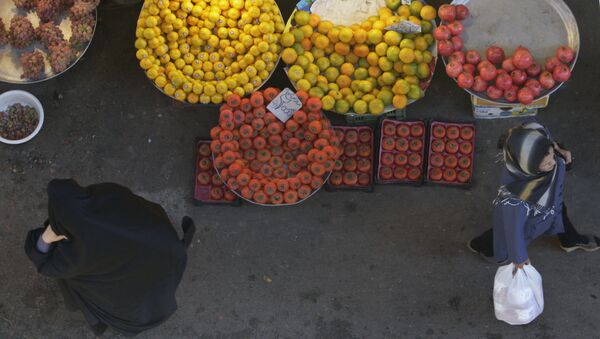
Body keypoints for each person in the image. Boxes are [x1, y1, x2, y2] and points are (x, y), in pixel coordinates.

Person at [24, 179, 196, 336]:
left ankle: (100, 324)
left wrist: (47, 235)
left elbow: (45, 264)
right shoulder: (109, 194)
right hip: (161, 263)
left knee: (74, 283)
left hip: (128, 302)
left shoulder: (77, 254)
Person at [468, 122, 599, 267]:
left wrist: (558, 148)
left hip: (551, 199)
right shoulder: (516, 199)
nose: (554, 163)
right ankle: (484, 247)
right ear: (529, 167)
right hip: (532, 218)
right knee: (504, 232)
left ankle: (569, 239)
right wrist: (519, 259)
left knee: (558, 207)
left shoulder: (535, 134)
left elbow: (547, 140)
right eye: (547, 164)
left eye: (551, 155)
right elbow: (513, 231)